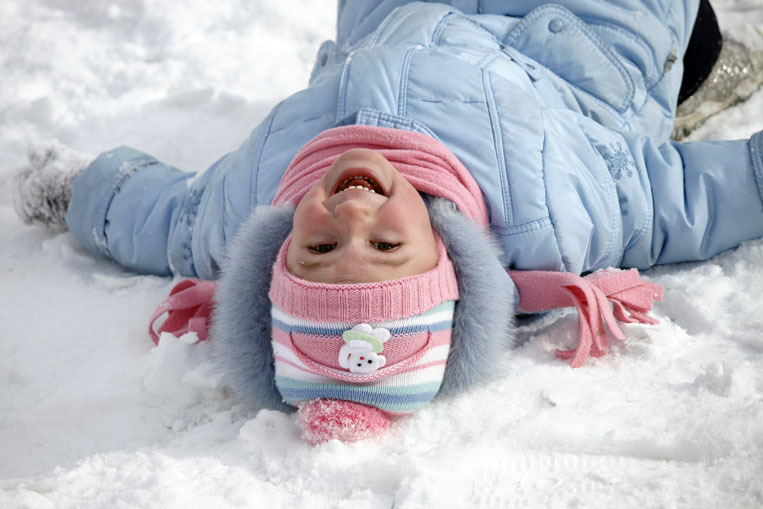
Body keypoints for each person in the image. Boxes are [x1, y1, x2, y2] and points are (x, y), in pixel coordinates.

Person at [13, 0, 763, 444]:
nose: (351, 209)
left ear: (276, 252)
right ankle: (711, 66)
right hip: (579, 24)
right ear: (448, 253)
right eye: (382, 243)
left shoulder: (244, 207)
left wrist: (75, 188)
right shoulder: (560, 211)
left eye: (319, 244)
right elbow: (711, 195)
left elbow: (157, 216)